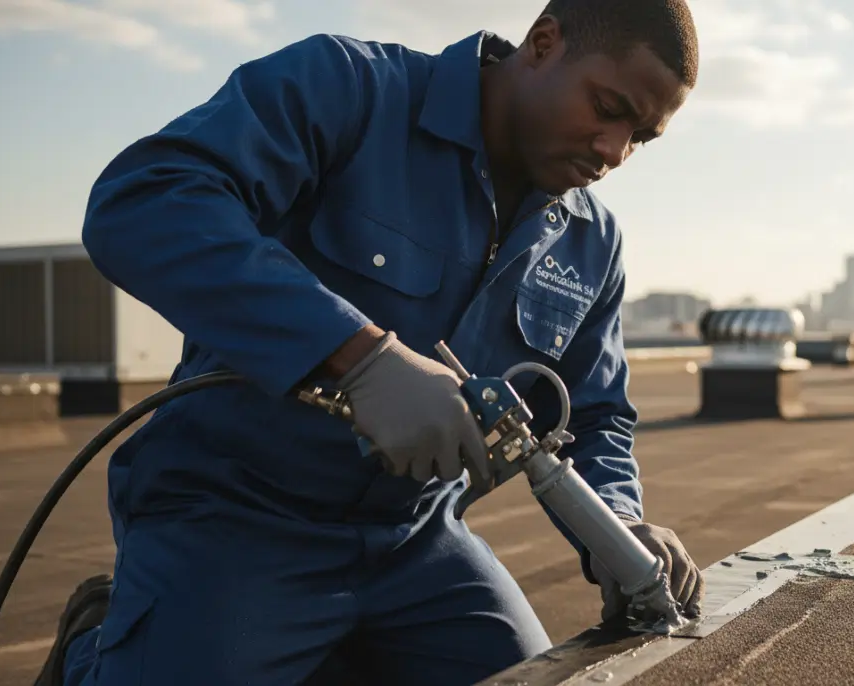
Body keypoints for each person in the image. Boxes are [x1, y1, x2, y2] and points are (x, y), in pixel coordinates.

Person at [37, 1, 703, 684]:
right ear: (542, 43)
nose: (613, 151)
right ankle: (93, 653)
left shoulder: (592, 239)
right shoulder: (348, 89)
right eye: (608, 106)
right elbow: (144, 201)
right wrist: (358, 356)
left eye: (641, 138)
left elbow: (595, 415)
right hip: (235, 516)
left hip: (418, 542)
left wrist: (618, 525)